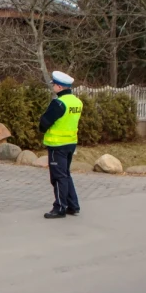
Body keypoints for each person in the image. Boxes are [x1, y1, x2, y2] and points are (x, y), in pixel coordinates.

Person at [38, 71, 83, 219]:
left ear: (59, 87)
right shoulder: (77, 102)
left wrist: (42, 128)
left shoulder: (59, 103)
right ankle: (72, 205)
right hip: (71, 142)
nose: (53, 87)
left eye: (54, 85)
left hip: (57, 144)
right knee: (65, 174)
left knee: (58, 177)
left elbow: (44, 122)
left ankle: (60, 207)